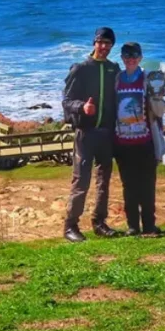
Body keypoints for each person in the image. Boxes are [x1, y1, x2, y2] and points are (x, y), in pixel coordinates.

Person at [62, 27, 121, 242]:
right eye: (101, 42)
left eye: (108, 44)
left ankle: (99, 223)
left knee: (103, 181)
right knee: (81, 182)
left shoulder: (114, 69)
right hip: (85, 134)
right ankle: (70, 226)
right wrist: (81, 107)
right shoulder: (81, 68)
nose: (104, 47)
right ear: (94, 43)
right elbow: (66, 101)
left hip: (107, 134)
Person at [113, 42, 161, 236]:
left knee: (147, 185)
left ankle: (149, 226)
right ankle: (132, 226)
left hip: (145, 142)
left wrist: (158, 97)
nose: (130, 59)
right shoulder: (117, 79)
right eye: (126, 56)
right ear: (122, 58)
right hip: (123, 144)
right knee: (129, 186)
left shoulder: (148, 78)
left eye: (134, 55)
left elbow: (159, 110)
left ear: (140, 58)